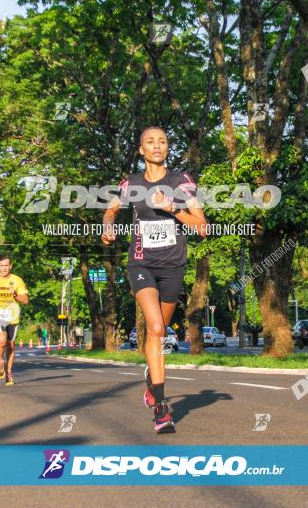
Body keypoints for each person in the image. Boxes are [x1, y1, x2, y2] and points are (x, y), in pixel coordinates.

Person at [102, 126, 207, 432]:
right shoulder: (131, 183)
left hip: (173, 267)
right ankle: (162, 408)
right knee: (156, 327)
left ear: (167, 148)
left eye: (162, 140)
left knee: (158, 335)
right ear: (141, 150)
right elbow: (111, 211)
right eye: (150, 141)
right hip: (141, 264)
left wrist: (172, 208)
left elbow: (202, 227)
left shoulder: (181, 181)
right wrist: (108, 225)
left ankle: (151, 384)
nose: (157, 145)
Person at [0, 253, 29, 385]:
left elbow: (25, 300)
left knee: (11, 346)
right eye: (2, 266)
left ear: (10, 266)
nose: (4, 268)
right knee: (2, 341)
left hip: (12, 316)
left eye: (6, 266)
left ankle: (9, 373)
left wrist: (14, 294)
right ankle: (0, 361)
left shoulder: (17, 280)